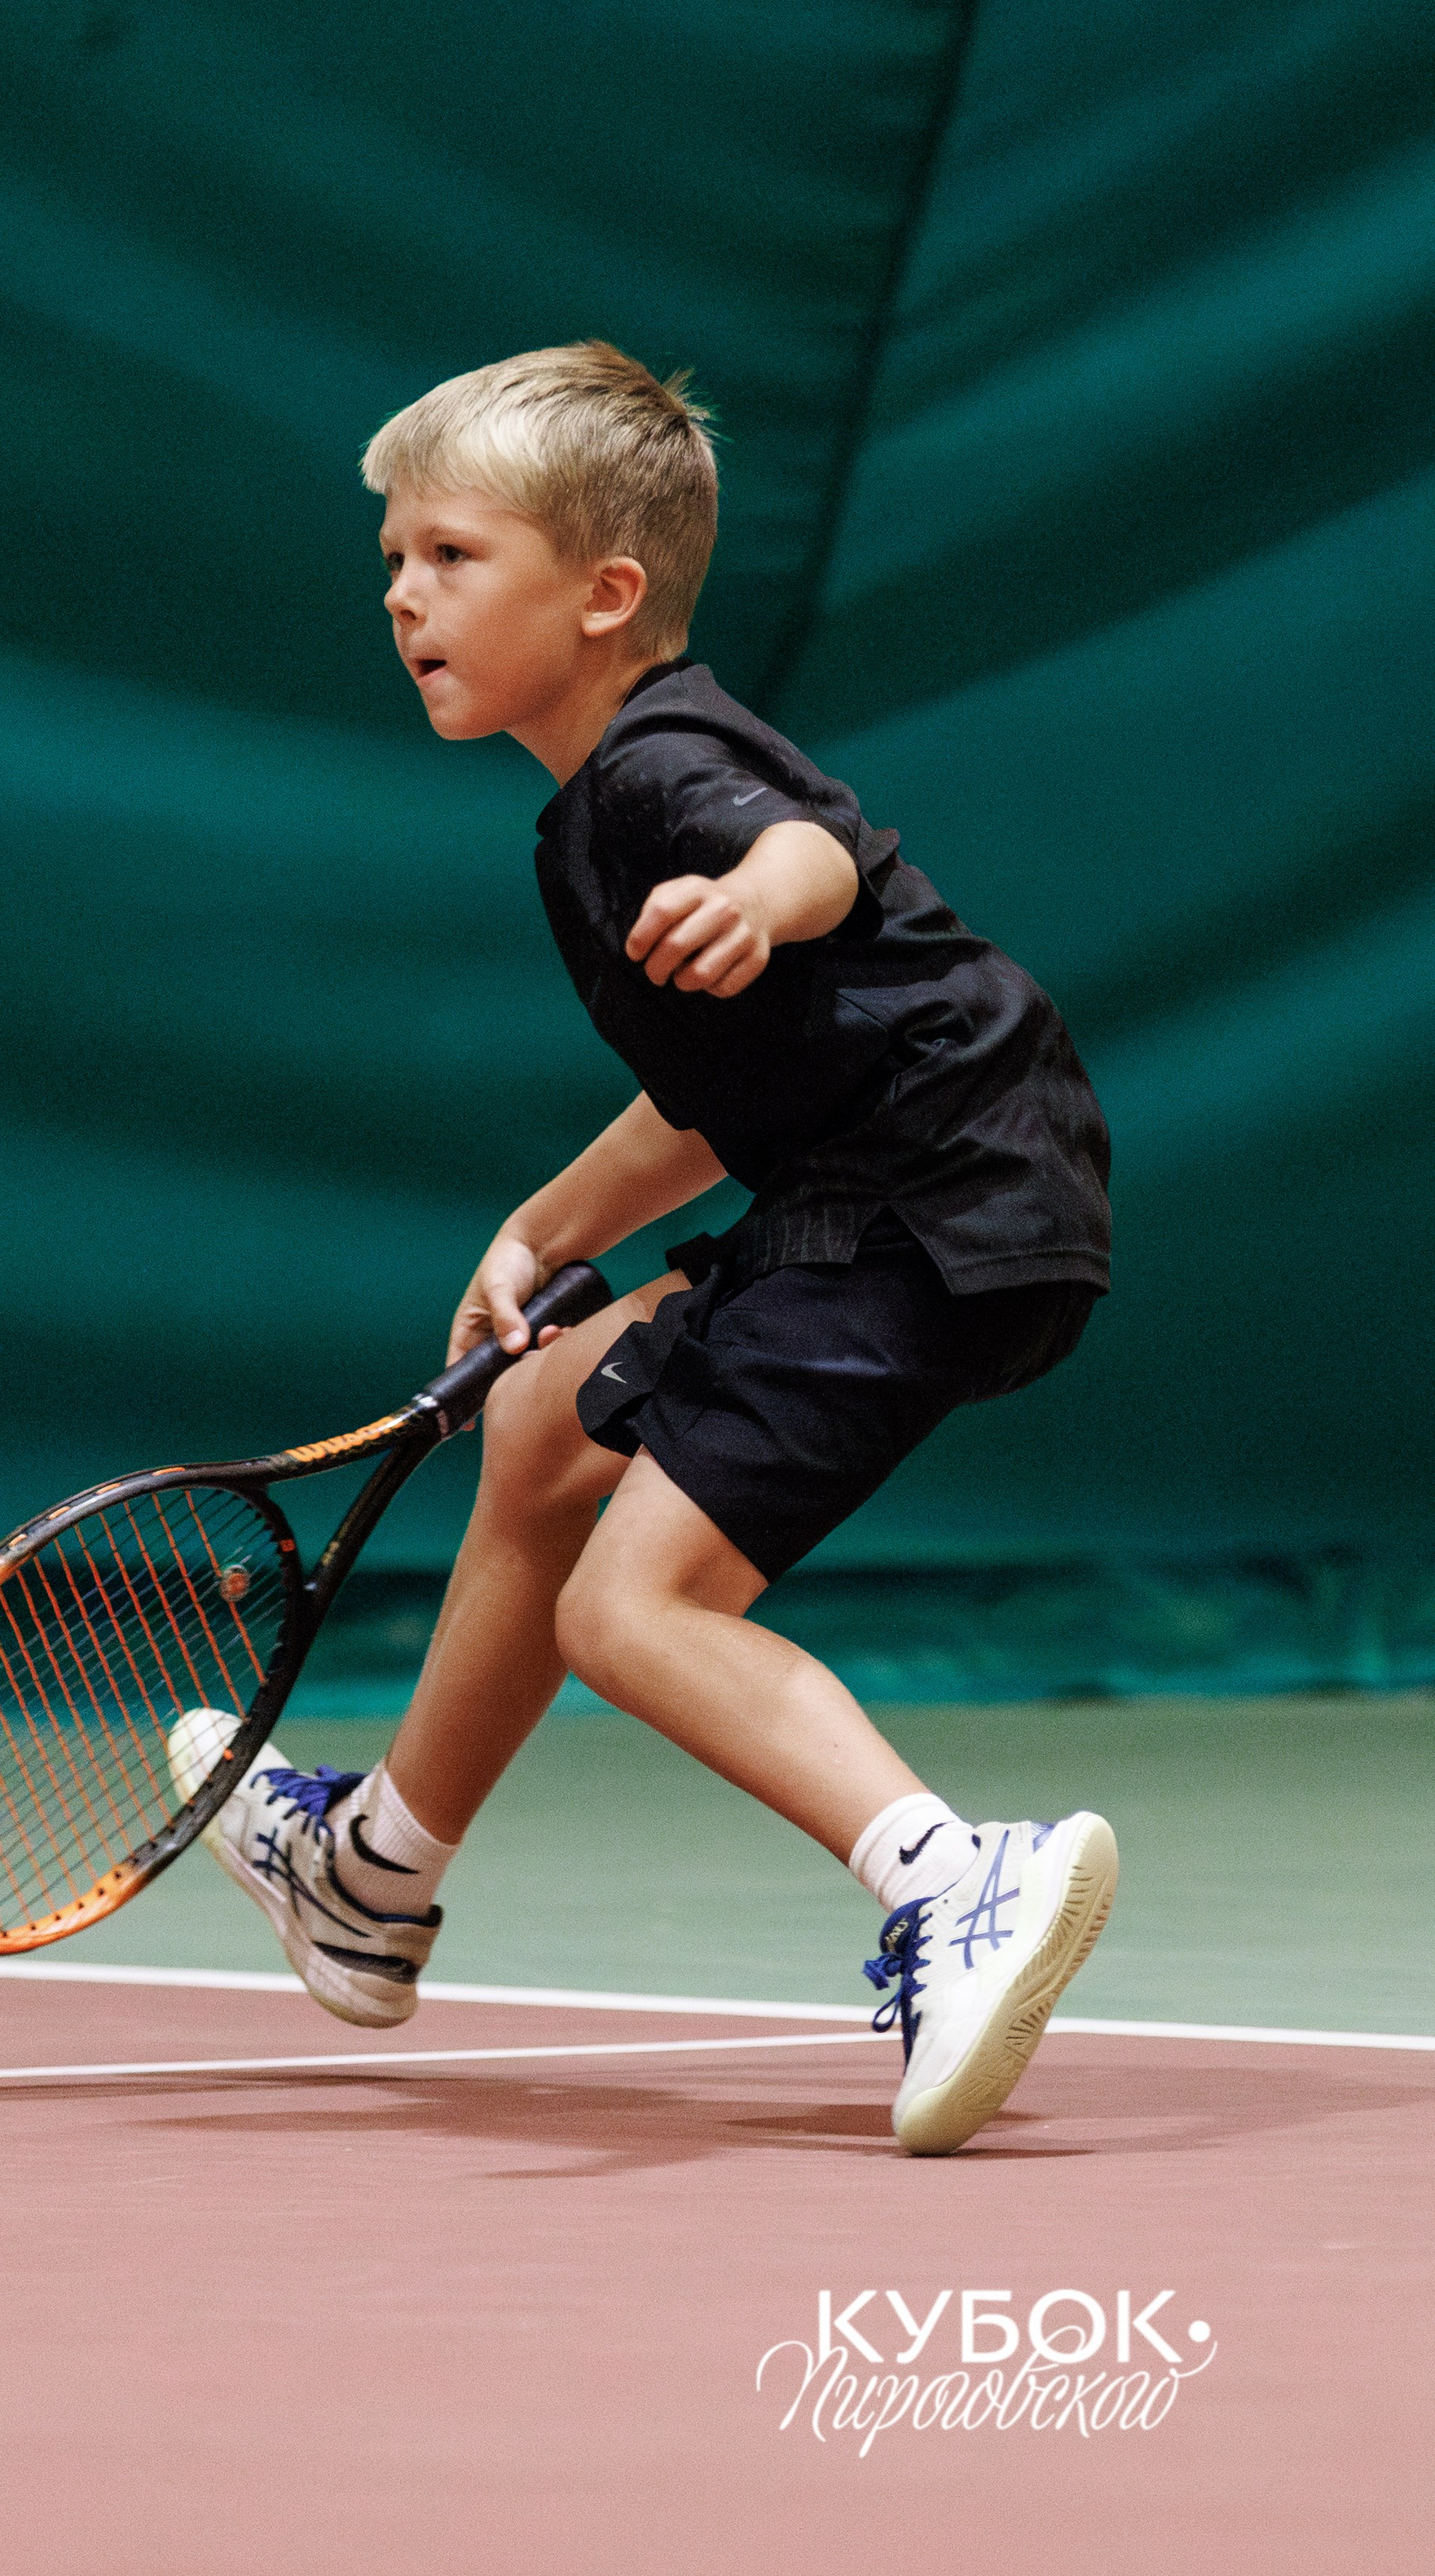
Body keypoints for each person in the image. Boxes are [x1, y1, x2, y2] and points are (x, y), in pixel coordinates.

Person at [170, 341, 1116, 2156]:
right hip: (909, 1184)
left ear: (604, 593)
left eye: (449, 553)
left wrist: (753, 896)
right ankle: (372, 1871)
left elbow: (810, 857)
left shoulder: (662, 771)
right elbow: (706, 1098)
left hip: (920, 1206)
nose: (398, 590)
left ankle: (950, 1874)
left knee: (635, 1606)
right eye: (391, 554)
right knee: (537, 1425)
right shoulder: (591, 811)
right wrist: (540, 1225)